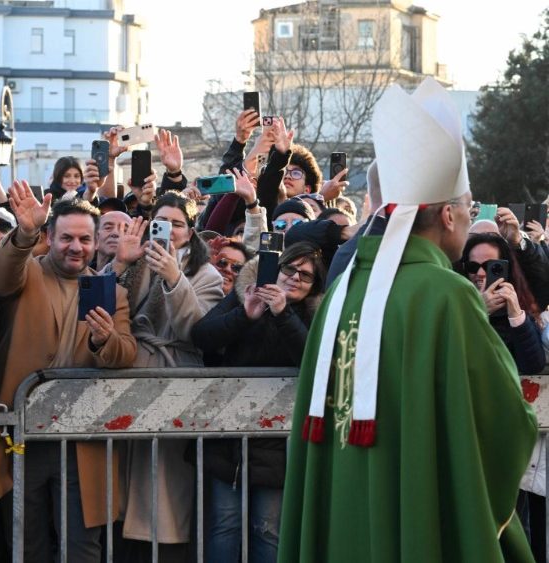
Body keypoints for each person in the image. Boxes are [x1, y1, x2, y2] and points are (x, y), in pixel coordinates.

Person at [279, 78, 537, 562]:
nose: (468, 214)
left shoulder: (341, 292)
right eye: (466, 205)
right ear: (447, 217)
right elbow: (505, 418)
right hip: (416, 521)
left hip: (339, 519)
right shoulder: (449, 295)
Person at [0, 184, 137, 563]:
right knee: (26, 544)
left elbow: (126, 353)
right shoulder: (28, 273)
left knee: (82, 549)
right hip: (22, 437)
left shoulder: (110, 291)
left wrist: (105, 341)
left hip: (81, 441)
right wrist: (23, 233)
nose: (76, 247)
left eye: (85, 239)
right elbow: (1, 275)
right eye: (67, 237)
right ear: (49, 237)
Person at [105, 192, 223, 559]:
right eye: (162, 222)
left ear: (190, 232)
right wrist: (118, 266)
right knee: (119, 489)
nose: (169, 231)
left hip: (175, 384)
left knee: (163, 495)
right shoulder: (132, 260)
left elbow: (198, 331)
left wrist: (175, 279)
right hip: (125, 379)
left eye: (177, 224)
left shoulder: (205, 274)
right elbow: (94, 306)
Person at [191, 242, 326, 563]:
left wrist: (282, 314)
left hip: (280, 445)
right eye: (289, 268)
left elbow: (312, 358)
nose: (294, 278)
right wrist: (244, 314)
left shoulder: (315, 313)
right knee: (224, 526)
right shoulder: (245, 293)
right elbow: (201, 336)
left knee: (268, 530)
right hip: (229, 438)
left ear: (314, 285)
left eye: (305, 276)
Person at [459, 233, 545, 375]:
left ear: (505, 269)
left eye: (491, 266)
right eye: (472, 266)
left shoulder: (515, 302)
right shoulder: (455, 300)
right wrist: (478, 311)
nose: (480, 273)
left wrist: (517, 319)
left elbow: (533, 366)